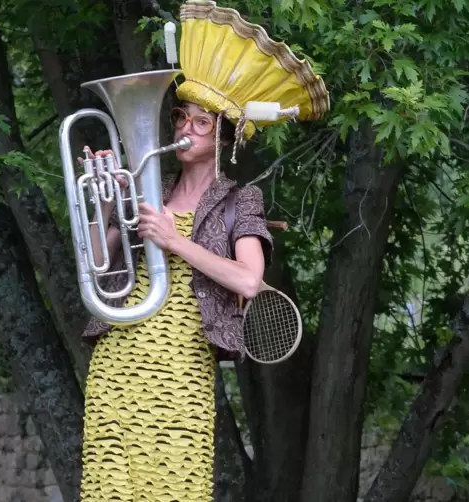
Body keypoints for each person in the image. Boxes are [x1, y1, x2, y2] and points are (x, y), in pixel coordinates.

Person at [77, 1, 328, 500]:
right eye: (180, 117)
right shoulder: (146, 187)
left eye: (200, 122)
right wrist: (107, 199)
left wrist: (174, 240)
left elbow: (249, 281)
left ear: (226, 135)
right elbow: (98, 260)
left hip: (180, 365)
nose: (184, 130)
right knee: (109, 485)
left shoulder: (240, 200)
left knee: (172, 486)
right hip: (119, 358)